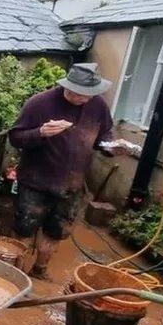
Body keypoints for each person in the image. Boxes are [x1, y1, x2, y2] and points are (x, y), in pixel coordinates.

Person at [9, 63, 124, 279]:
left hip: (72, 185)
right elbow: (15, 137)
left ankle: (40, 271)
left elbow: (105, 134)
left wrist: (111, 147)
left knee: (56, 231)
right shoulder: (39, 103)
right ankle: (15, 275)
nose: (84, 99)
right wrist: (40, 132)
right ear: (67, 87)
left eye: (90, 94)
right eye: (80, 94)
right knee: (24, 229)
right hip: (36, 182)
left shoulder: (98, 106)